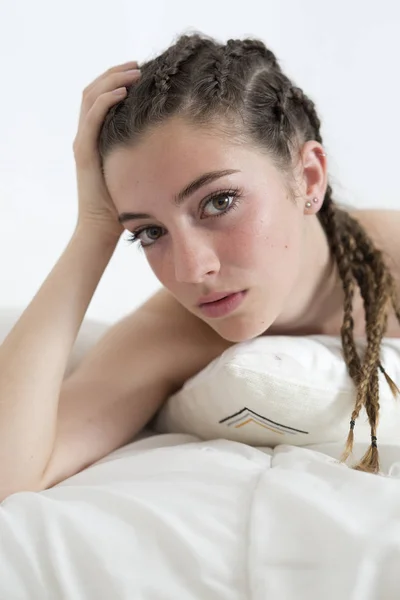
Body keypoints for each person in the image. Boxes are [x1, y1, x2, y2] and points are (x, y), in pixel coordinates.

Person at [1, 33, 399, 501]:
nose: (191, 271)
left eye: (219, 201)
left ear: (308, 177)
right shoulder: (172, 330)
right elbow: (11, 471)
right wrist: (93, 228)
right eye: (149, 232)